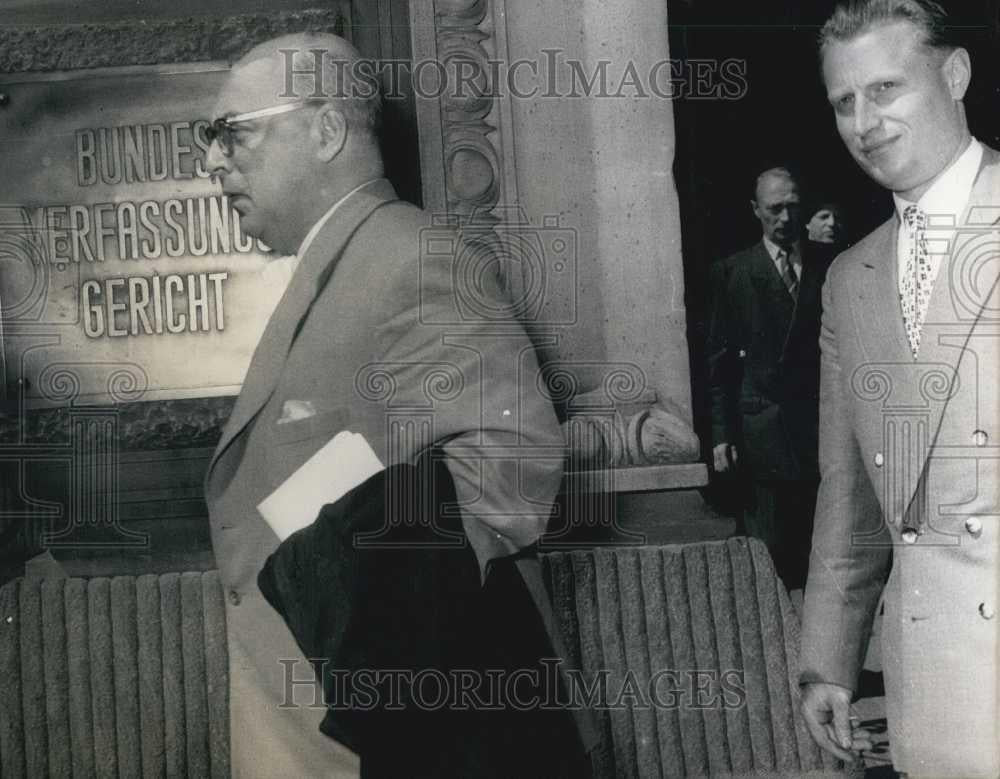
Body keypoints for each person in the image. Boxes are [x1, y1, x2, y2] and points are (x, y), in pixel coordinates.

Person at [202, 32, 590, 777]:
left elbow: (511, 467)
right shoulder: (340, 259)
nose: (212, 160)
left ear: (325, 130)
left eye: (233, 132)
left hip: (382, 735)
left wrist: (300, 527)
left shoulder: (415, 258)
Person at [799, 2, 999, 777]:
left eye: (885, 88)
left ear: (954, 75)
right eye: (844, 102)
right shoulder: (851, 278)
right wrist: (830, 661)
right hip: (928, 690)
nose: (864, 122)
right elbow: (848, 490)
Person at [708, 166, 832, 589]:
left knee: (822, 552)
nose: (785, 219)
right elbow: (719, 363)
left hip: (817, 429)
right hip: (760, 431)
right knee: (772, 555)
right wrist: (722, 434)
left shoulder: (829, 266)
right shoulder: (734, 272)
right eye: (775, 209)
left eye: (793, 208)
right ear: (755, 210)